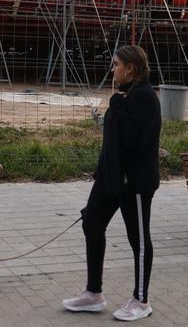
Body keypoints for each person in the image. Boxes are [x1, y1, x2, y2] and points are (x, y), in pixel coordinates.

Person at [62, 45, 162, 322]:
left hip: (136, 183)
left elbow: (134, 141)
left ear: (130, 68)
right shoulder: (124, 95)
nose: (112, 69)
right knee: (92, 223)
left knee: (138, 240)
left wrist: (117, 107)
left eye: (116, 64)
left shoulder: (144, 97)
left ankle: (141, 300)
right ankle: (93, 293)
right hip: (110, 178)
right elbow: (112, 142)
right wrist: (102, 171)